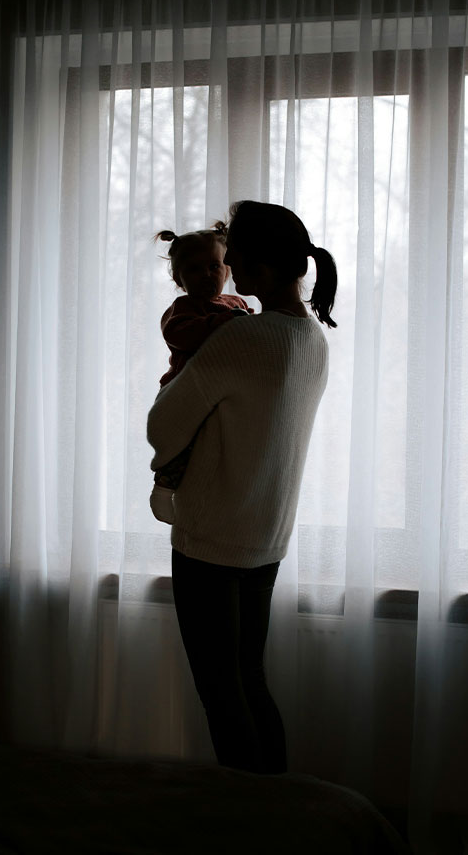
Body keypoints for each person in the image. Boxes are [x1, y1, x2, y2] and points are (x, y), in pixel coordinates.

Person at [146, 200, 337, 774]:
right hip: (265, 535)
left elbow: (162, 428)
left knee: (220, 690)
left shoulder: (242, 337)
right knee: (249, 678)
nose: (227, 267)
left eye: (234, 257)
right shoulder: (312, 338)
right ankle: (278, 804)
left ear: (257, 265)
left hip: (211, 537)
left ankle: (248, 811)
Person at [150, 223, 254, 525]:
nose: (206, 274)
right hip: (182, 389)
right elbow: (179, 334)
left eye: (213, 266)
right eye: (194, 269)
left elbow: (252, 333)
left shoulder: (236, 304)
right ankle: (164, 487)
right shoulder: (183, 308)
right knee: (181, 443)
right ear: (178, 279)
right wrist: (221, 323)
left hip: (219, 392)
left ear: (227, 270)